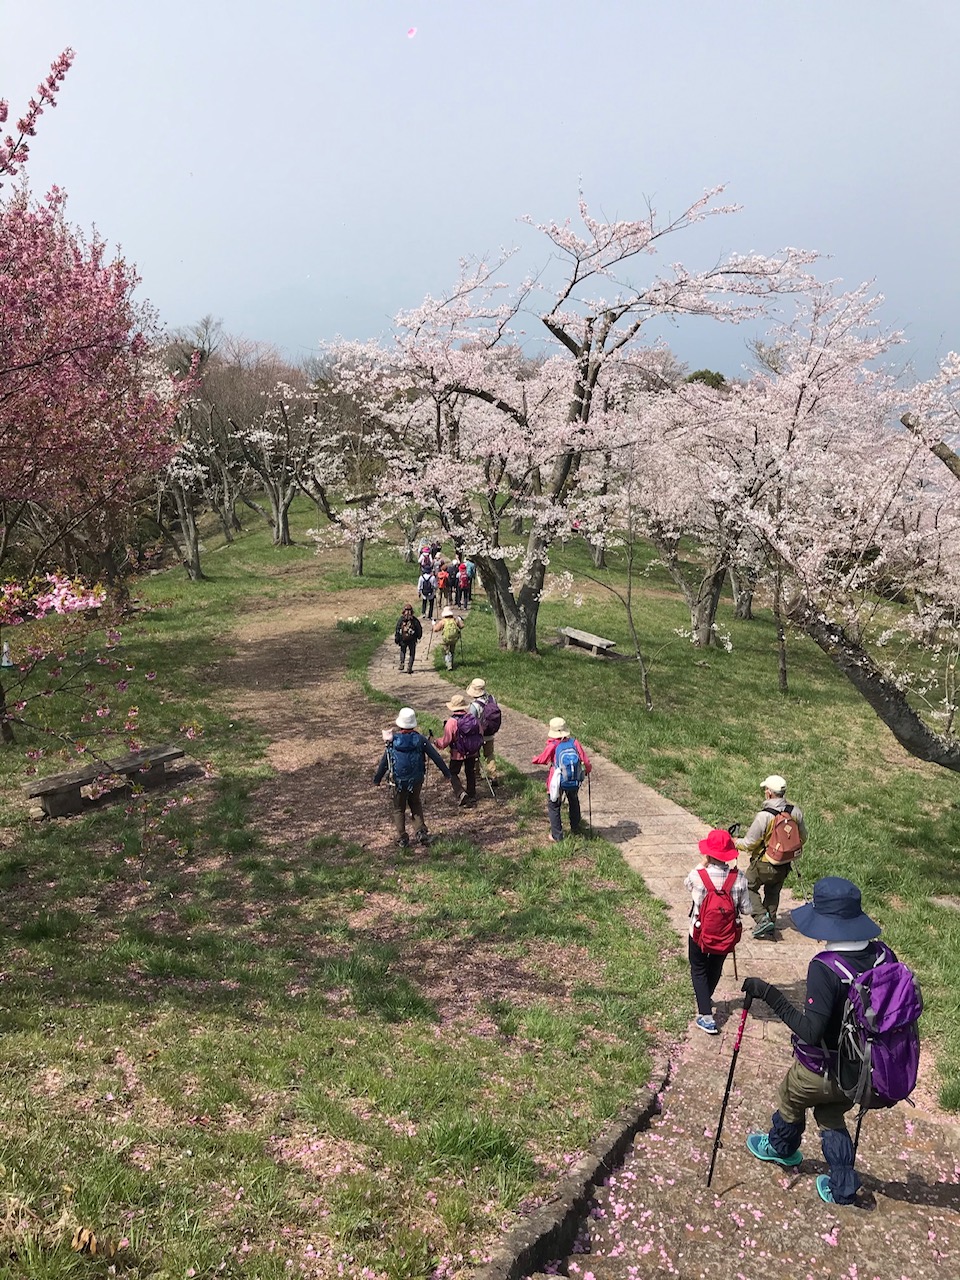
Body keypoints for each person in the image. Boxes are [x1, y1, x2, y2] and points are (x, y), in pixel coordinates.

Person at [741, 876, 894, 1205]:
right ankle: (842, 1185)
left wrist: (769, 994)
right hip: (859, 1069)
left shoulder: (825, 968)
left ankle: (782, 1148)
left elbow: (810, 1032)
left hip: (819, 1068)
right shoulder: (884, 956)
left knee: (790, 1096)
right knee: (830, 1116)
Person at [684, 828, 752, 1035]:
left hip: (698, 931)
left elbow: (687, 884)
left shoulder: (698, 876)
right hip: (725, 934)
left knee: (698, 969)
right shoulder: (739, 878)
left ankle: (706, 1015)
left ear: (708, 853)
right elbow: (747, 909)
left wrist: (703, 863)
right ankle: (707, 996)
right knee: (715, 967)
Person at [735, 773, 807, 941]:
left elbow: (749, 844)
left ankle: (761, 919)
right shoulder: (795, 812)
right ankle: (770, 924)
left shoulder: (765, 816)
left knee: (747, 886)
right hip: (785, 863)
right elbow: (803, 837)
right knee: (773, 892)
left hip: (764, 862)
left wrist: (734, 842)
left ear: (769, 793)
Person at [373, 707, 453, 847]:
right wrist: (446, 773)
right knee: (415, 803)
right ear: (413, 724)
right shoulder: (420, 739)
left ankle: (403, 838)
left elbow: (385, 761)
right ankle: (421, 832)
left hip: (398, 780)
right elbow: (435, 757)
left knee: (399, 808)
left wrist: (377, 778)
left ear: (400, 724)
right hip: (416, 778)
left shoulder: (393, 741)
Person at [531, 716, 591, 842]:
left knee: (554, 805)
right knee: (573, 800)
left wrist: (534, 759)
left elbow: (543, 759)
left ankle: (557, 835)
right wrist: (587, 770)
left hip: (557, 780)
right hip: (573, 778)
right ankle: (575, 826)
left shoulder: (553, 745)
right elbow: (585, 760)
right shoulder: (574, 743)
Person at [435, 693, 481, 807]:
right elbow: (481, 732)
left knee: (453, 773)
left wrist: (436, 742)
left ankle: (460, 793)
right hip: (472, 751)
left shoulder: (451, 722)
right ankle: (472, 794)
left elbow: (445, 741)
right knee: (470, 772)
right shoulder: (472, 718)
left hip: (458, 753)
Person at [466, 677, 500, 786]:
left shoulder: (474, 706)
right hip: (490, 733)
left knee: (475, 754)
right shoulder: (492, 698)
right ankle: (493, 775)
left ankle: (476, 774)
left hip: (478, 735)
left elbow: (470, 722)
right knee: (489, 755)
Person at [393, 604, 422, 674]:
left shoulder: (401, 619)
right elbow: (419, 629)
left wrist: (397, 638)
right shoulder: (414, 620)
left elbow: (397, 629)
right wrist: (418, 636)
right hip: (412, 639)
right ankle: (410, 667)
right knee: (412, 653)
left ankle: (402, 663)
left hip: (403, 639)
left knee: (403, 651)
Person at [433, 605, 464, 670]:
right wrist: (460, 620)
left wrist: (433, 624)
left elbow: (435, 629)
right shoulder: (455, 620)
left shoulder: (443, 621)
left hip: (446, 639)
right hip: (454, 638)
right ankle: (452, 663)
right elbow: (462, 626)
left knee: (446, 651)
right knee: (452, 651)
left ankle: (449, 665)